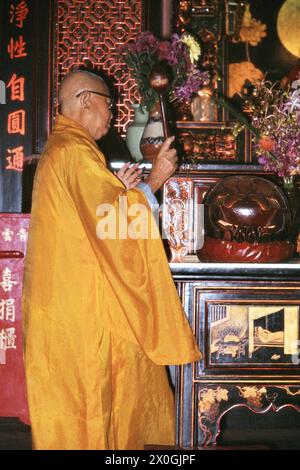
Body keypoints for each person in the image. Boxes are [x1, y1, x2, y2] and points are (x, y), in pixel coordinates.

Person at [22, 69, 201, 450]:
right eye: (109, 104)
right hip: (83, 316)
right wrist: (155, 183)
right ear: (87, 100)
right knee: (92, 414)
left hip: (66, 311)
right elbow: (112, 227)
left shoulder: (64, 149)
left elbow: (91, 217)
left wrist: (120, 189)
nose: (111, 113)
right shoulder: (74, 151)